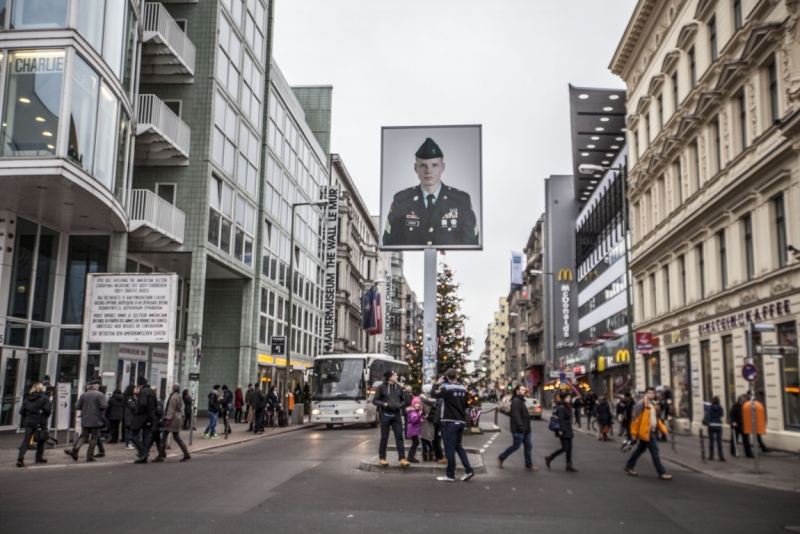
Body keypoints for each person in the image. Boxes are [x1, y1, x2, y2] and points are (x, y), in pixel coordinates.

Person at [382, 137, 479, 247]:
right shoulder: (402, 200)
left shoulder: (461, 201)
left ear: (442, 168)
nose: (428, 171)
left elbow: (471, 243)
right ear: (415, 168)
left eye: (434, 165)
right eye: (423, 165)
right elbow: (389, 243)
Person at [431, 368, 475, 482]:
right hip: (460, 422)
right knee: (458, 447)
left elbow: (433, 393)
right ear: (456, 376)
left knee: (449, 449)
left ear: (447, 378)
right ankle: (469, 470)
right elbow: (467, 406)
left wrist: (437, 383)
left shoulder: (447, 389)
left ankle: (450, 474)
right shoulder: (464, 390)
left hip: (449, 421)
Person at [624, 386, 672, 480]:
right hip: (646, 432)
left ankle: (629, 466)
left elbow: (656, 420)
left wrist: (664, 430)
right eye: (649, 393)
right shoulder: (641, 404)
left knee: (639, 450)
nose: (651, 394)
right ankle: (662, 472)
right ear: (646, 394)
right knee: (655, 452)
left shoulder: (653, 405)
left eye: (653, 393)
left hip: (650, 431)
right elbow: (635, 421)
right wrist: (633, 434)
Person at [372, 370, 410, 467]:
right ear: (389, 377)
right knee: (384, 438)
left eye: (396, 375)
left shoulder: (398, 387)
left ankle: (402, 458)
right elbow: (375, 400)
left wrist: (400, 405)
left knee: (399, 437)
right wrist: (384, 404)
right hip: (385, 415)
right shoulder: (381, 387)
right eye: (395, 375)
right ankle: (382, 458)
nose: (397, 376)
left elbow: (403, 400)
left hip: (396, 415)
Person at [498, 385, 536, 471]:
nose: (524, 391)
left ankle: (529, 465)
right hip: (519, 429)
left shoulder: (520, 400)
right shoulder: (516, 401)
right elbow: (516, 416)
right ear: (517, 391)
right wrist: (522, 427)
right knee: (516, 446)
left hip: (526, 429)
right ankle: (501, 458)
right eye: (522, 390)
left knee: (529, 446)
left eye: (524, 390)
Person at [69, 380, 108, 462]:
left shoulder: (83, 395)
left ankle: (76, 448)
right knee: (94, 438)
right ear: (97, 387)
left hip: (85, 418)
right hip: (96, 419)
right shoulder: (100, 394)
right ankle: (89, 456)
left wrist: (84, 409)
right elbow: (104, 405)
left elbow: (76, 406)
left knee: (84, 436)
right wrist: (99, 409)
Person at [17, 383, 52, 467]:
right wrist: (44, 417)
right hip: (40, 421)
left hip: (29, 421)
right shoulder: (45, 398)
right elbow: (48, 410)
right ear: (41, 389)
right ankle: (39, 458)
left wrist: (28, 416)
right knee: (41, 439)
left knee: (26, 440)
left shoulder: (28, 398)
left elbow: (22, 411)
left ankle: (20, 458)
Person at [545, 393, 577, 472]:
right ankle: (550, 457)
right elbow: (561, 420)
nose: (569, 398)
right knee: (565, 447)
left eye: (570, 397)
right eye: (568, 397)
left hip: (568, 428)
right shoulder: (562, 407)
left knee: (569, 448)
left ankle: (569, 465)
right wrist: (560, 430)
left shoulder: (567, 406)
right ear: (563, 398)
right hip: (564, 429)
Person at [161, 384, 191, 462]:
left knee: (164, 436)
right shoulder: (179, 396)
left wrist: (167, 419)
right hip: (177, 417)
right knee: (176, 436)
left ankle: (161, 455)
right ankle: (186, 453)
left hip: (172, 419)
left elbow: (171, 409)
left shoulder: (173, 397)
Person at [130, 377, 157, 463]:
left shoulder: (143, 392)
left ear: (140, 385)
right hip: (150, 416)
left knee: (133, 435)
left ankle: (144, 453)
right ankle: (144, 456)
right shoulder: (152, 392)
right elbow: (155, 403)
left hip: (142, 416)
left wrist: (137, 410)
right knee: (146, 436)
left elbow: (142, 404)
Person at [419, 384, 438, 462]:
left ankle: (425, 454)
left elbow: (420, 409)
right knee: (429, 437)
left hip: (424, 420)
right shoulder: (434, 399)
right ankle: (431, 453)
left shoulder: (422, 399)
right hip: (431, 420)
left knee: (423, 437)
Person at [705, 397, 725, 461]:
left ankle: (711, 455)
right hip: (718, 425)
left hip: (711, 425)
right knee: (719, 441)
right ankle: (721, 456)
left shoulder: (710, 408)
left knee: (711, 441)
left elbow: (708, 415)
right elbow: (721, 415)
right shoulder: (720, 408)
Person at [406, 397, 423, 463]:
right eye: (416, 403)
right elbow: (413, 421)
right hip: (413, 430)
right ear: (413, 404)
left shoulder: (416, 411)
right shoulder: (413, 412)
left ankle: (410, 456)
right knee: (416, 443)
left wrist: (421, 416)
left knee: (415, 443)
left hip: (414, 430)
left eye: (419, 403)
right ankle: (410, 457)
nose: (418, 404)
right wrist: (419, 415)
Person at [123, 384, 137, 450]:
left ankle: (129, 443)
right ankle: (128, 444)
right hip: (129, 415)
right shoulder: (129, 398)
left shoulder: (130, 397)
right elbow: (132, 406)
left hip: (129, 415)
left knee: (129, 430)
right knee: (129, 430)